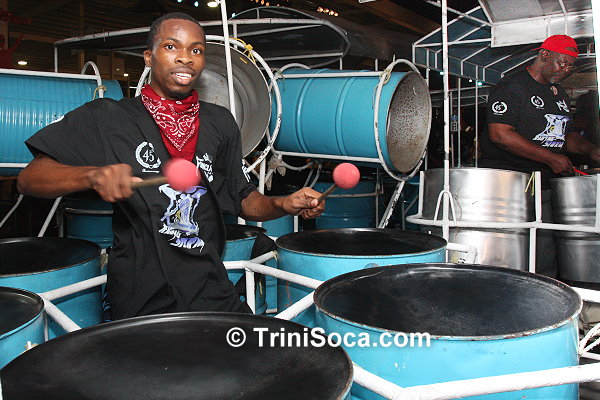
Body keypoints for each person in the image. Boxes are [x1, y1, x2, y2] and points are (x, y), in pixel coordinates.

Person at [17, 12, 324, 320]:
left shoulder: (220, 122)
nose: (185, 57)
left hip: (209, 285)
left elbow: (243, 199)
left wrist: (283, 203)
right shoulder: (109, 117)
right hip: (140, 291)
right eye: (171, 46)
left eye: (196, 49)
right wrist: (91, 175)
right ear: (148, 57)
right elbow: (30, 179)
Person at [479, 34, 600, 277]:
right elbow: (500, 134)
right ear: (544, 55)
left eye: (570, 66)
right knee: (512, 252)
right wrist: (550, 158)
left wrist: (590, 150)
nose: (565, 70)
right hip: (510, 185)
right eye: (562, 63)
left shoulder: (558, 93)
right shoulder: (512, 87)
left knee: (545, 250)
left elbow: (566, 135)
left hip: (544, 184)